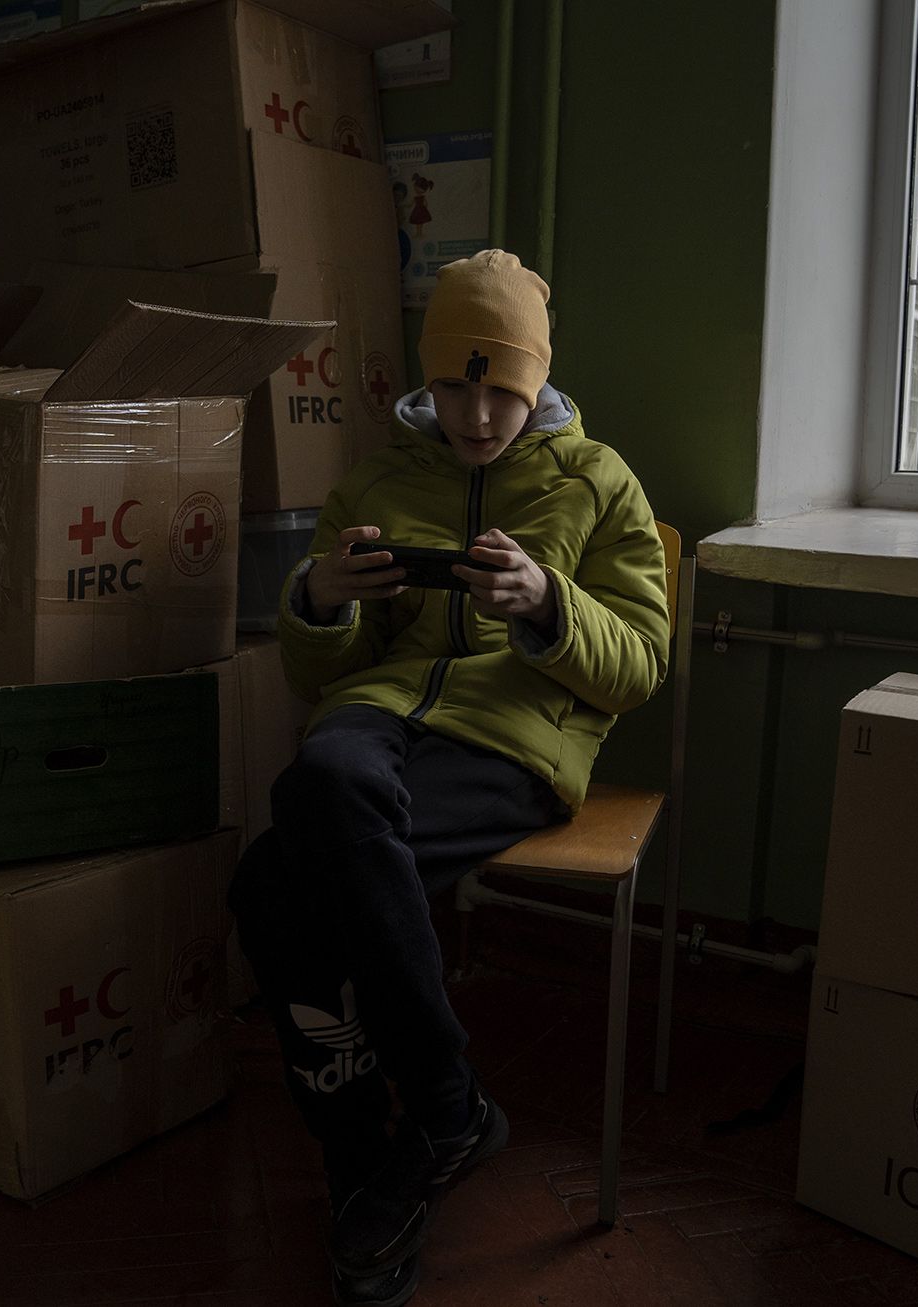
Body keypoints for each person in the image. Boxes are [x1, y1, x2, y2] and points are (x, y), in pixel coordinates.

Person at [228, 250, 670, 1306]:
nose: (476, 416)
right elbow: (320, 675)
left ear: (537, 380)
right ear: (426, 378)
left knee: (271, 882)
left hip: (514, 738)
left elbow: (640, 664)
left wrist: (548, 602)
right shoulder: (377, 481)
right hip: (378, 719)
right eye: (455, 387)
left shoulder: (598, 481)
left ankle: (368, 1150)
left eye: (502, 390)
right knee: (326, 776)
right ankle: (441, 1106)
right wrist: (322, 600)